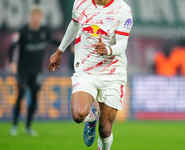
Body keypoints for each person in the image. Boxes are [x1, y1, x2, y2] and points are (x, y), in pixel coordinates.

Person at [48, 0, 133, 149]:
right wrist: (60, 50)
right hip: (86, 69)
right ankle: (91, 117)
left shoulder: (122, 10)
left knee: (105, 129)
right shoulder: (80, 3)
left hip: (112, 72)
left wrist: (108, 50)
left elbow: (122, 44)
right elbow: (74, 24)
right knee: (78, 115)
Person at [8, 6, 56, 136]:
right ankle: (14, 125)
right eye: (34, 16)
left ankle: (28, 126)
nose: (36, 19)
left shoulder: (45, 31)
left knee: (34, 98)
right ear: (30, 17)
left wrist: (69, 47)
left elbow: (55, 42)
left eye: (38, 17)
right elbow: (12, 47)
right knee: (21, 94)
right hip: (22, 70)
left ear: (41, 18)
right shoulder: (23, 31)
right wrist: (12, 62)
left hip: (37, 71)